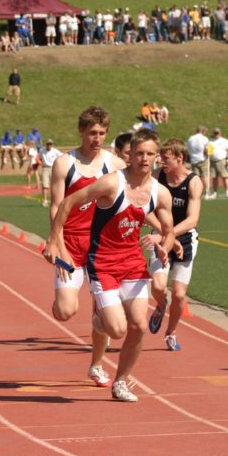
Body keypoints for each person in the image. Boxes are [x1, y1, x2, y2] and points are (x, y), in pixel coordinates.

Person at [48, 129, 174, 402]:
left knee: (138, 326)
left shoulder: (159, 192)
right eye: (139, 153)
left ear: (157, 157)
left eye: (150, 154)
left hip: (132, 263)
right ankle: (100, 320)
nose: (144, 158)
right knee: (117, 330)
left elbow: (168, 228)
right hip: (103, 263)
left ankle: (121, 382)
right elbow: (69, 201)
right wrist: (54, 239)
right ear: (130, 155)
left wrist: (164, 244)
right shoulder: (111, 183)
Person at [43, 106, 127, 388]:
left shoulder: (114, 165)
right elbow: (56, 206)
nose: (97, 138)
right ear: (81, 131)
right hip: (71, 244)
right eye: (92, 133)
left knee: (102, 315)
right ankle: (58, 303)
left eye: (102, 133)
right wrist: (57, 244)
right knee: (66, 311)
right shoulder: (65, 164)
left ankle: (97, 365)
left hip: (102, 247)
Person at [147, 138, 203, 352]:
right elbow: (145, 210)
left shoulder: (193, 182)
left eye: (166, 158)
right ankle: (161, 305)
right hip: (160, 235)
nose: (161, 162)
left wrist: (173, 236)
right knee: (159, 287)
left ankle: (170, 332)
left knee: (179, 294)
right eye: (160, 158)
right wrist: (165, 235)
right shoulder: (156, 178)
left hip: (186, 238)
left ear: (180, 158)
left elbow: (193, 219)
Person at [207, 128, 228, 199]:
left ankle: (227, 192)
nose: (216, 134)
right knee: (214, 178)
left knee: (225, 177)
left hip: (222, 161)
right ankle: (215, 193)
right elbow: (210, 152)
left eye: (217, 133)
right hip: (213, 161)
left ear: (220, 133)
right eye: (215, 133)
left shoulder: (224, 141)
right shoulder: (210, 141)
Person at [186, 126, 210, 198]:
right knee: (206, 176)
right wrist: (208, 155)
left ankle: (197, 192)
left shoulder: (190, 138)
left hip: (193, 159)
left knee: (196, 178)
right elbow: (206, 150)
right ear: (202, 131)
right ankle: (207, 192)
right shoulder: (204, 138)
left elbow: (188, 149)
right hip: (203, 159)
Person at [39, 139, 62, 208]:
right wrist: (40, 163)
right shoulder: (42, 150)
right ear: (46, 144)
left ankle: (55, 200)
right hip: (45, 168)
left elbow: (62, 156)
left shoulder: (55, 151)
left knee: (55, 185)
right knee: (45, 185)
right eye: (48, 144)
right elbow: (39, 157)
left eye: (50, 144)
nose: (49, 146)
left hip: (53, 168)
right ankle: (45, 200)